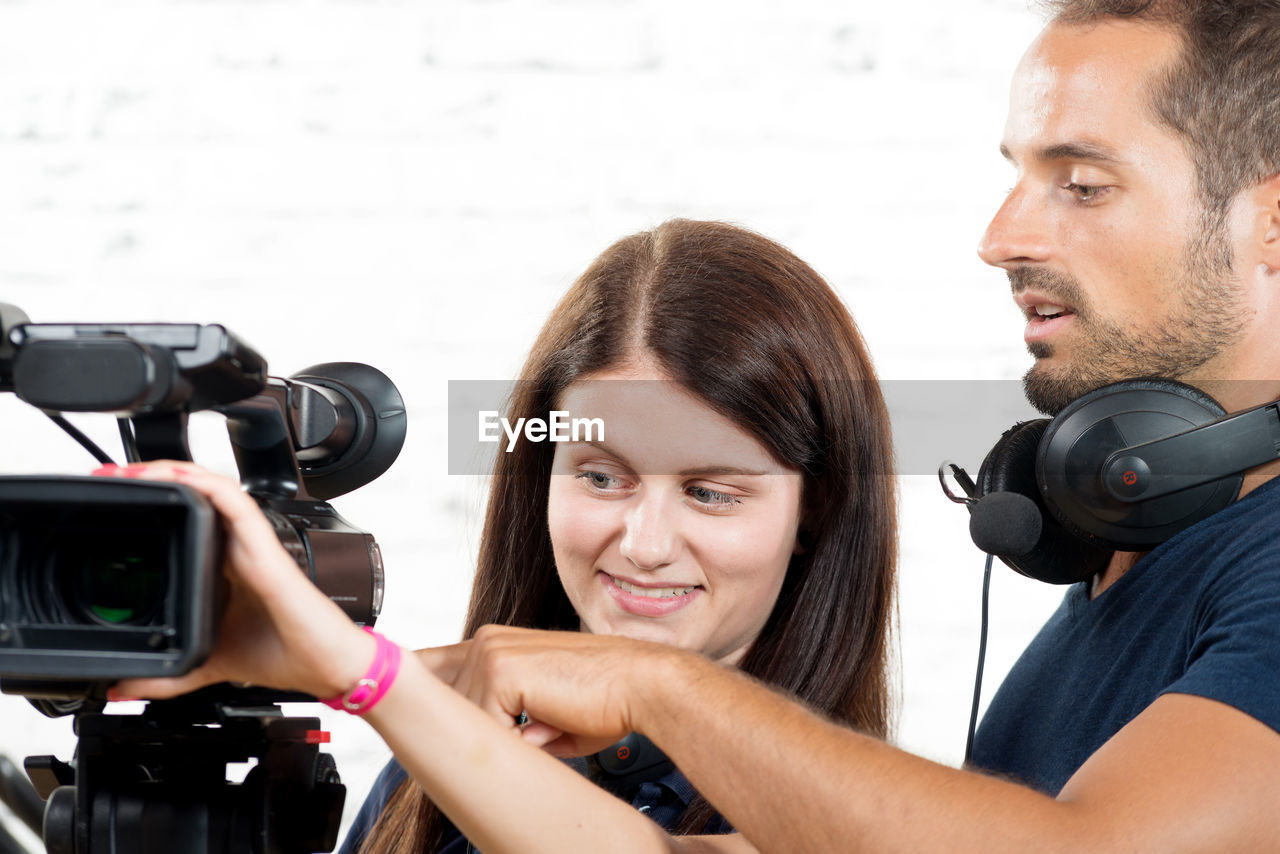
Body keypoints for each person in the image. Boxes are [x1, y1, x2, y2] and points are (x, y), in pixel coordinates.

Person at [424, 1, 1280, 850]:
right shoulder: (1131, 555)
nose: (1000, 237)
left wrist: (654, 688)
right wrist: (370, 684)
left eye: (1083, 186)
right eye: (1017, 177)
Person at [106, 218, 898, 853]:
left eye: (711, 493)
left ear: (814, 513)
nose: (646, 544)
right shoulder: (429, 776)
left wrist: (367, 675)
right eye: (600, 477)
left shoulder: (847, 822)